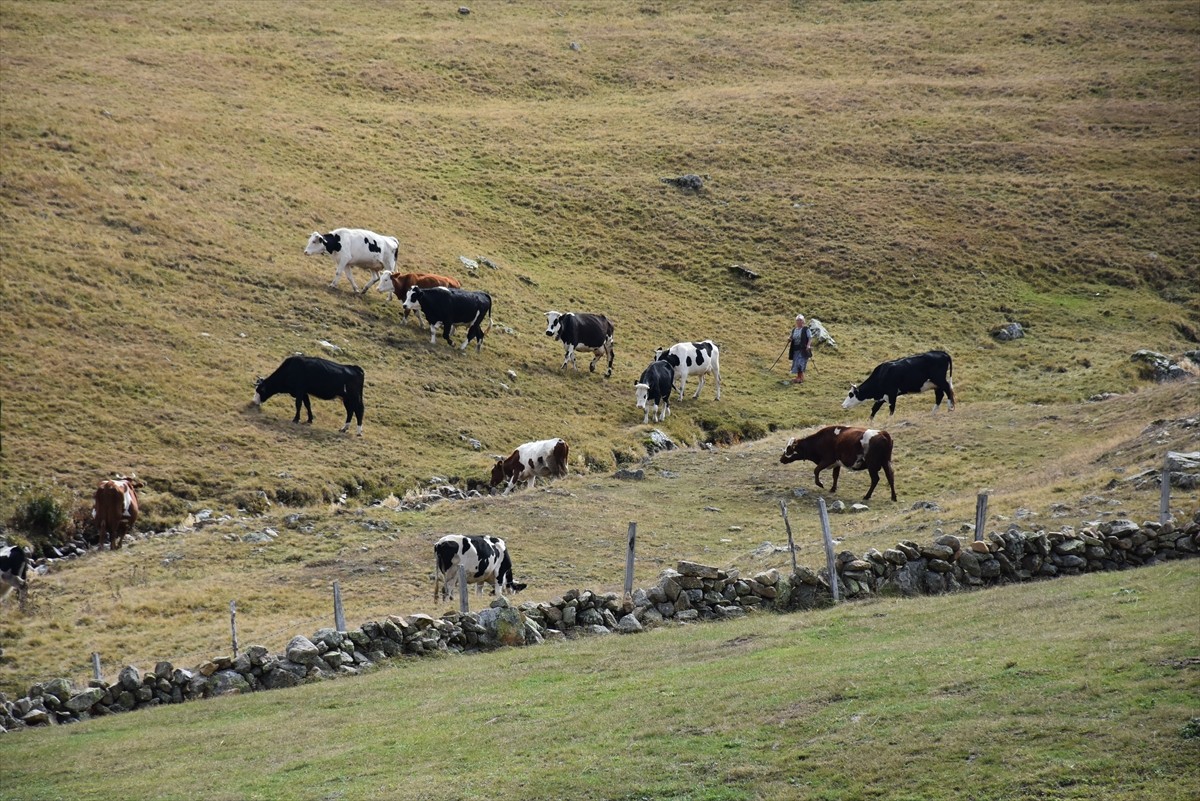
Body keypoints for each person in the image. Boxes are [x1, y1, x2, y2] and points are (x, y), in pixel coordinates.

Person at [788, 314, 812, 384]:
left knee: (800, 363)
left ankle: (800, 378)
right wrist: (789, 339)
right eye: (797, 320)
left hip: (803, 349)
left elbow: (810, 338)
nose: (799, 321)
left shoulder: (806, 329)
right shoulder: (794, 330)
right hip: (795, 349)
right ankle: (800, 377)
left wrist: (808, 345)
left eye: (800, 320)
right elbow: (791, 337)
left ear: (803, 321)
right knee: (796, 363)